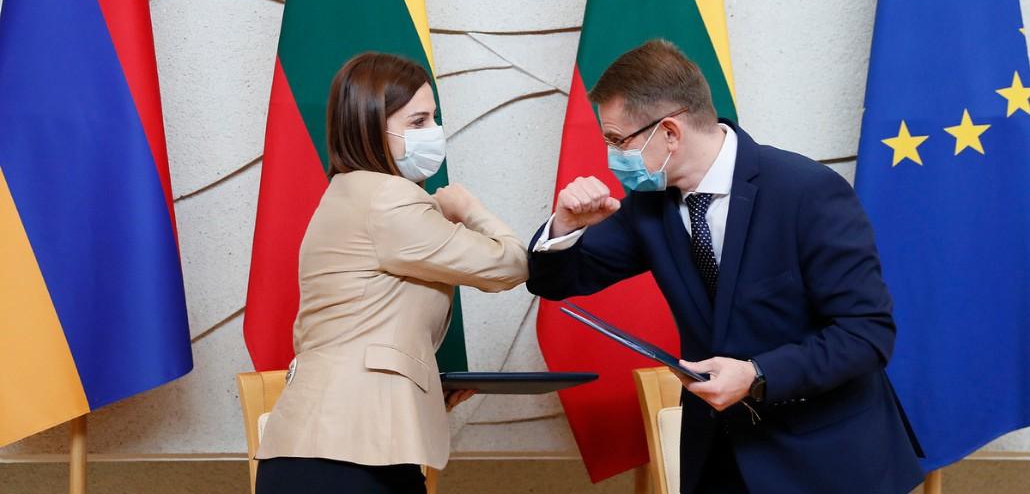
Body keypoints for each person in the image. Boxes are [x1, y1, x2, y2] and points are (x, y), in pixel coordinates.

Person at [527, 40, 923, 493]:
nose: (611, 156)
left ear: (670, 132)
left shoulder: (807, 192)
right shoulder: (648, 207)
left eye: (618, 141)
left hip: (825, 461)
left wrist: (757, 374)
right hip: (719, 459)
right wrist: (565, 225)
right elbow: (555, 282)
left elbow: (866, 334)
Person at [255, 52, 528, 494]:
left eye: (433, 118)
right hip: (341, 459)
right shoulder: (389, 199)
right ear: (369, 126)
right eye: (418, 121)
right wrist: (470, 209)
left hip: (345, 448)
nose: (434, 132)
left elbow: (366, 333)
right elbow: (509, 264)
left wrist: (424, 389)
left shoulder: (352, 192)